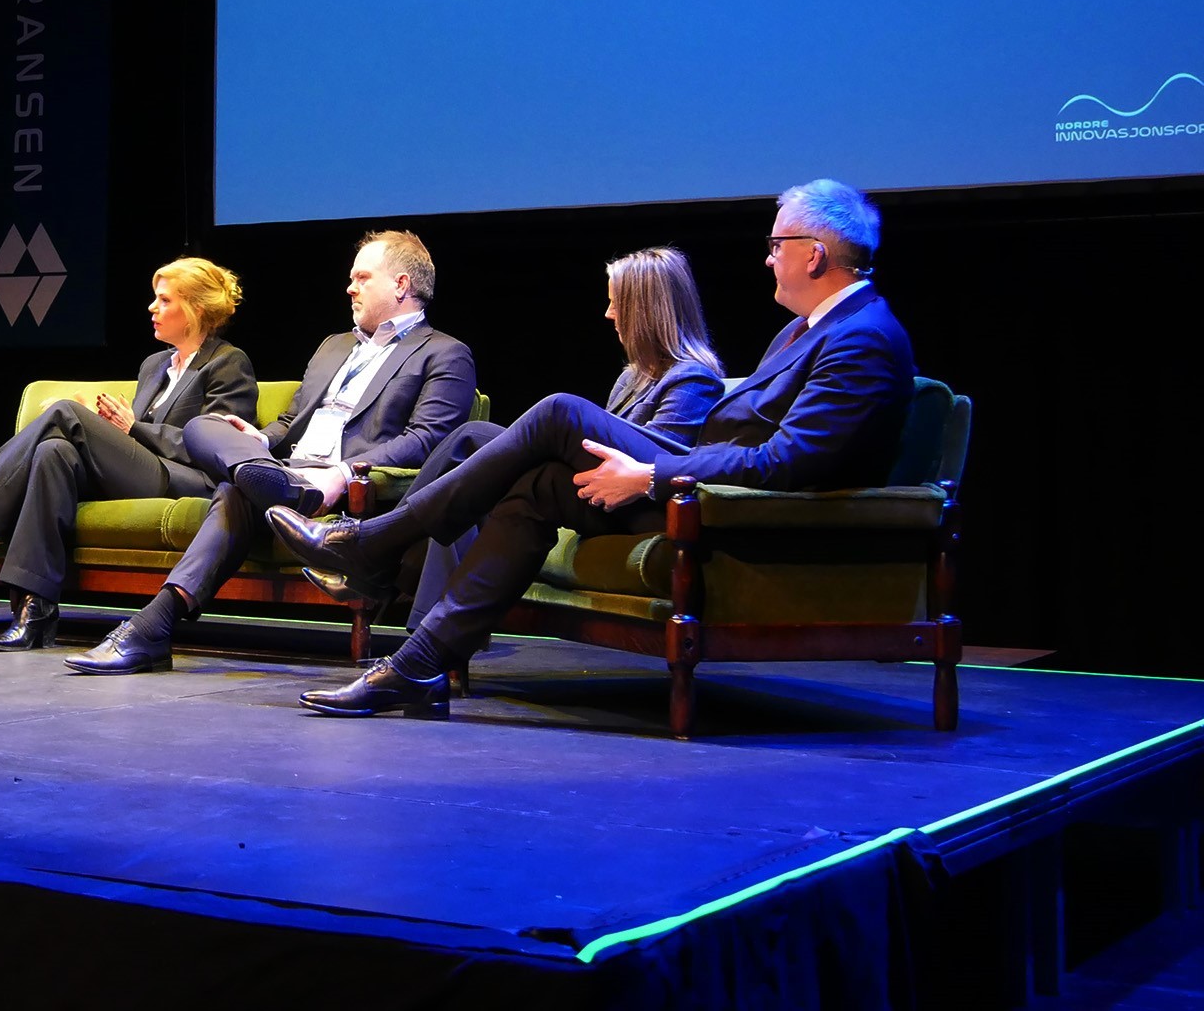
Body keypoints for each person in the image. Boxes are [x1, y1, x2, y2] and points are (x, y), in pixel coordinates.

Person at [276, 179, 915, 717]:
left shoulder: (861, 337)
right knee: (532, 489)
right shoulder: (804, 332)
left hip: (720, 508)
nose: (768, 259)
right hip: (699, 489)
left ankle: (372, 545)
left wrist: (650, 474)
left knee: (561, 411)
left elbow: (786, 461)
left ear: (814, 254)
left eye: (777, 245)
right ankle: (417, 665)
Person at [64, 230, 477, 675]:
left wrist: (339, 474)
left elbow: (426, 440)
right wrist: (260, 439)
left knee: (234, 491)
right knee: (205, 426)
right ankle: (278, 487)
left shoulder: (444, 353)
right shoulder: (334, 346)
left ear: (400, 284)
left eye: (361, 278)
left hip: (345, 484)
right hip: (287, 470)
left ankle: (151, 628)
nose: (349, 288)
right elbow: (292, 420)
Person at [305, 246, 725, 618]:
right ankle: (385, 571)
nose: (608, 313)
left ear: (647, 311)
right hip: (593, 492)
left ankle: (376, 554)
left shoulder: (693, 379)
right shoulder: (632, 378)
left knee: (490, 435)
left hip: (633, 506)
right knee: (470, 441)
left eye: (618, 303)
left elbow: (651, 466)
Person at [0, 259, 257, 651]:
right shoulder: (154, 365)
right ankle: (35, 613)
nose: (152, 307)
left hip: (184, 480)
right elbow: (131, 438)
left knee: (64, 412)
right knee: (53, 452)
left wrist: (134, 428)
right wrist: (109, 429)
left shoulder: (228, 362)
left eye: (164, 300)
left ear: (196, 308)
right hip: (140, 471)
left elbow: (219, 446)